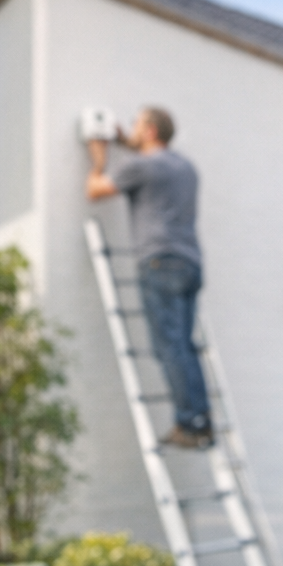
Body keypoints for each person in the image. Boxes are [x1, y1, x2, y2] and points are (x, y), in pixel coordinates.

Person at [86, 107, 213, 448]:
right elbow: (148, 160)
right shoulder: (185, 167)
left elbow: (95, 190)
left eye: (137, 124)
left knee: (168, 347)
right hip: (189, 264)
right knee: (184, 346)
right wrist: (126, 141)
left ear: (151, 131)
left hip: (159, 262)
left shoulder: (141, 167)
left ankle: (189, 422)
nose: (131, 129)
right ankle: (200, 420)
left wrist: (99, 157)